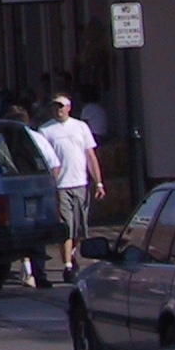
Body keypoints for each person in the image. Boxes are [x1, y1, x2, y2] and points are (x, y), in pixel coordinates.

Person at [41, 93, 104, 282]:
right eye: (55, 107)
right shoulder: (46, 130)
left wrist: (98, 182)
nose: (58, 110)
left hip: (80, 183)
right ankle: (67, 266)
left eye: (61, 106)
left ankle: (72, 254)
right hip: (60, 186)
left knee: (79, 227)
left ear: (69, 108)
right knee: (66, 226)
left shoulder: (80, 127)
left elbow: (90, 156)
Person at [3, 104, 60, 287]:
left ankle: (26, 267)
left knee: (16, 231)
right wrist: (49, 187)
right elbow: (54, 165)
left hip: (12, 191)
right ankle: (38, 273)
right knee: (36, 231)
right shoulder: (37, 138)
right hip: (35, 190)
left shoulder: (0, 140)